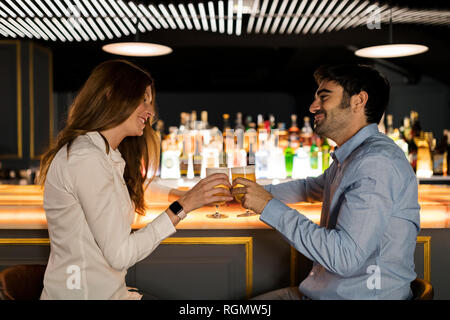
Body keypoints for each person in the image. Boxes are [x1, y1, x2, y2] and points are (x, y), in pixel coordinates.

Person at [37, 60, 233, 300]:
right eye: (143, 99)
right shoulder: (86, 159)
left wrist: (183, 195)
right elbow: (120, 255)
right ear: (110, 95)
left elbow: (136, 188)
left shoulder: (104, 154)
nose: (150, 112)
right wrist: (184, 206)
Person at [232, 64, 420, 300]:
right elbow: (310, 188)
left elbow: (345, 257)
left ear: (358, 101)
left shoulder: (376, 162)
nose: (312, 107)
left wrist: (267, 205)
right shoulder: (355, 154)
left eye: (324, 97)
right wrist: (248, 194)